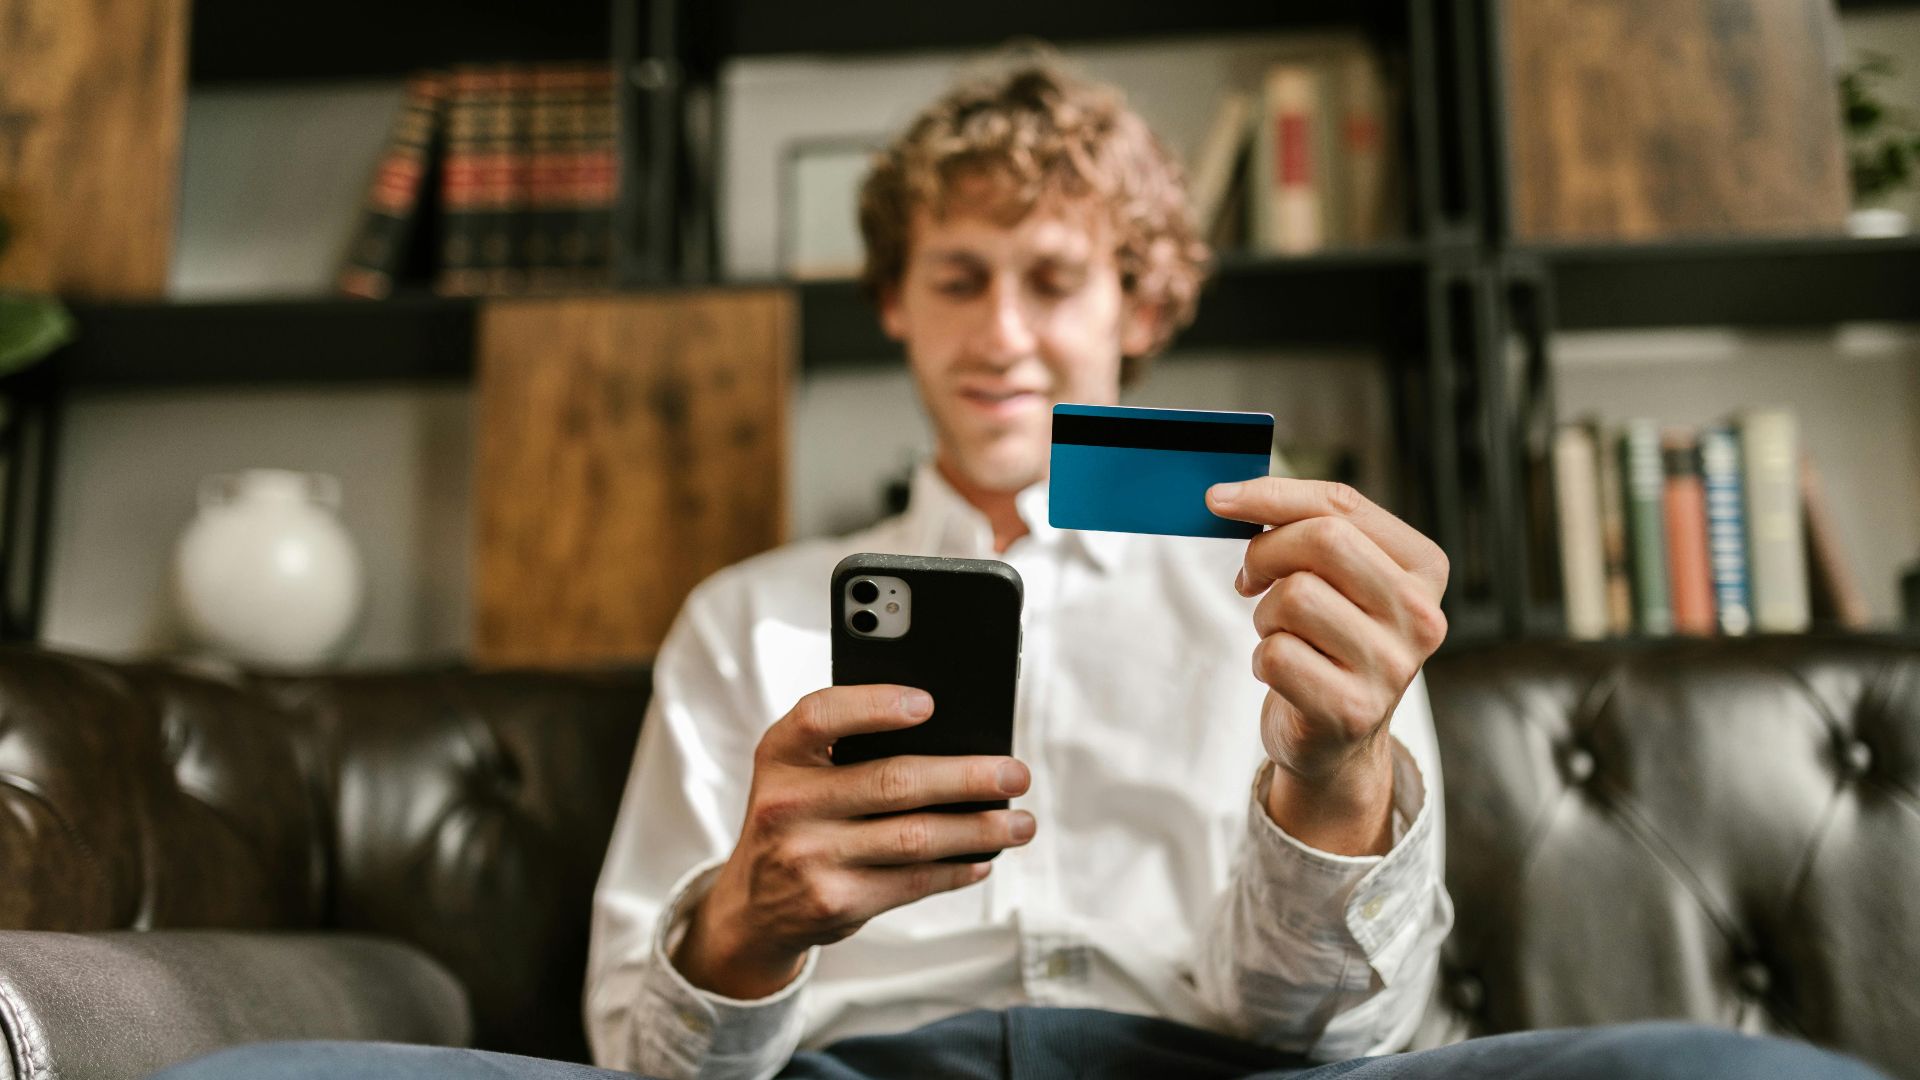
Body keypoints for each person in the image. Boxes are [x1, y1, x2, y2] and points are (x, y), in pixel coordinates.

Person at [154, 59, 1886, 1080]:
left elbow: (1347, 1037)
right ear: (894, 304)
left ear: (1143, 302)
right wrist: (746, 927)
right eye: (958, 277)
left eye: (1053, 278)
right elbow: (648, 1060)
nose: (1004, 333)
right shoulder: (750, 617)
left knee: (1741, 1077)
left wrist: (1342, 772)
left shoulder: (1298, 590)